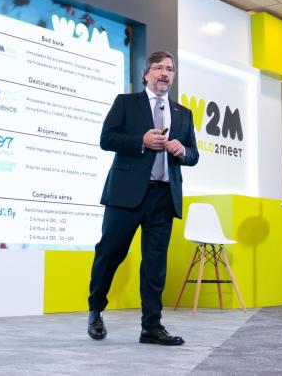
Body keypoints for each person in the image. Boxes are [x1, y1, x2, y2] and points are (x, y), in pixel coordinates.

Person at [87, 50, 199, 345]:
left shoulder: (183, 113)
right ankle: (96, 310)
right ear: (146, 74)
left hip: (163, 196)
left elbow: (194, 154)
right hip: (125, 195)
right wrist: (141, 141)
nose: (165, 73)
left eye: (170, 69)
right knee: (110, 254)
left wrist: (182, 151)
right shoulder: (126, 103)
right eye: (159, 68)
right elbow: (106, 139)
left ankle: (151, 326)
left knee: (154, 266)